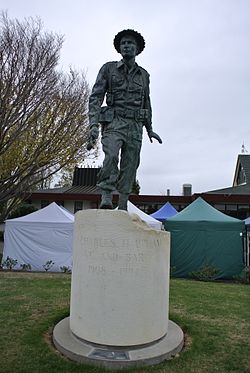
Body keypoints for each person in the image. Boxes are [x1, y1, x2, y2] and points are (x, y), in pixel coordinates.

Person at [88, 29, 162, 210]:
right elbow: (96, 97)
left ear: (137, 49)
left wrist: (149, 128)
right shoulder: (108, 68)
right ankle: (106, 195)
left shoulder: (144, 75)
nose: (126, 46)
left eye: (130, 43)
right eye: (123, 43)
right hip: (114, 121)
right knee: (111, 155)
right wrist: (93, 124)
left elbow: (147, 102)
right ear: (119, 48)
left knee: (130, 165)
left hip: (135, 126)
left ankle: (123, 203)